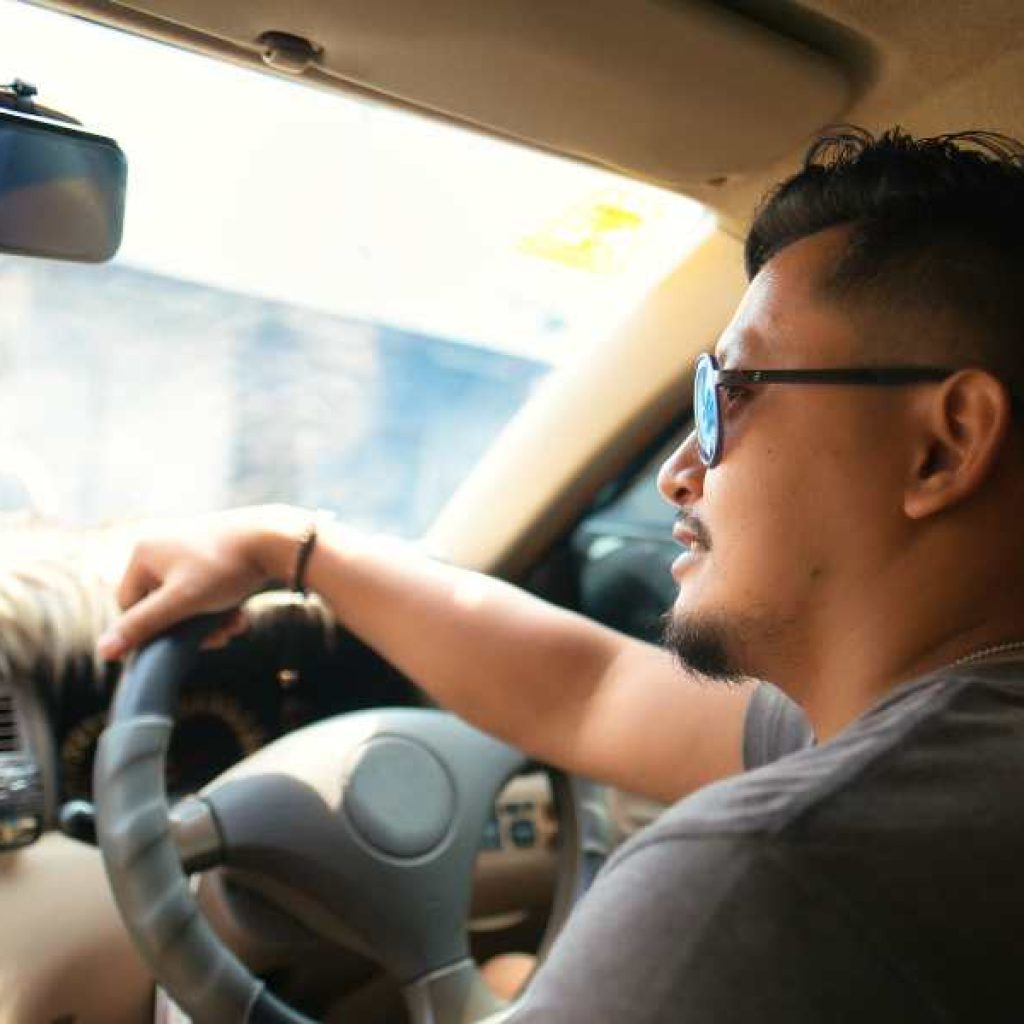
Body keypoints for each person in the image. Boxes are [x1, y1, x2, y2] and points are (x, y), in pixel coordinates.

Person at [99, 127, 1024, 1021]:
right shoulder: (958, 737)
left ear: (943, 446)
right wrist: (295, 551)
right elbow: (590, 691)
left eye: (729, 394)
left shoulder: (763, 880)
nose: (678, 470)